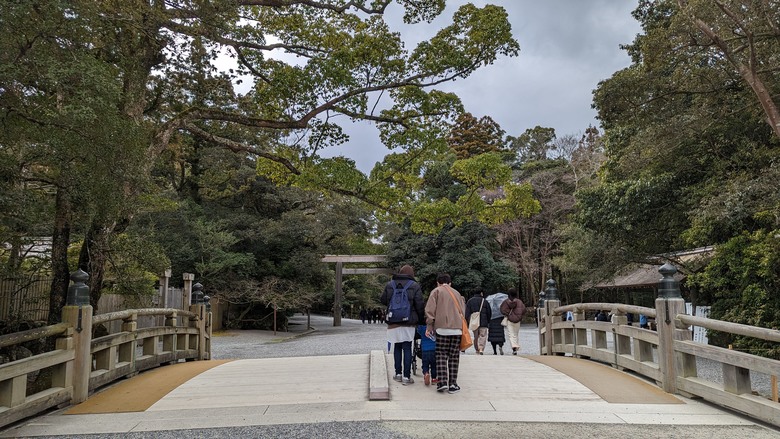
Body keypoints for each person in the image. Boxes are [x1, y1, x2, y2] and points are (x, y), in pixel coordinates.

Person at [380, 265, 425, 385]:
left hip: (393, 320)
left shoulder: (390, 284)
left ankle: (398, 374)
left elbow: (383, 300)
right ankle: (406, 376)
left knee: (397, 347)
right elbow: (419, 305)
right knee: (407, 347)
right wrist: (421, 321)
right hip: (409, 322)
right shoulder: (414, 286)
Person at [424, 273, 466, 394]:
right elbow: (462, 311)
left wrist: (429, 325)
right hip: (457, 329)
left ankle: (442, 382)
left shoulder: (436, 291)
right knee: (454, 356)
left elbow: (430, 310)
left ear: (438, 282)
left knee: (441, 355)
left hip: (441, 328)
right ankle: (453, 384)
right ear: (450, 283)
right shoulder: (457, 293)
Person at [500, 288, 526, 355]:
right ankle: (515, 346)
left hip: (509, 320)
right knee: (516, 334)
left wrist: (507, 314)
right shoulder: (519, 302)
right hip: (517, 320)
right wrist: (519, 315)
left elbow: (502, 310)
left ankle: (514, 347)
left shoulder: (506, 302)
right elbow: (524, 310)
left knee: (511, 334)